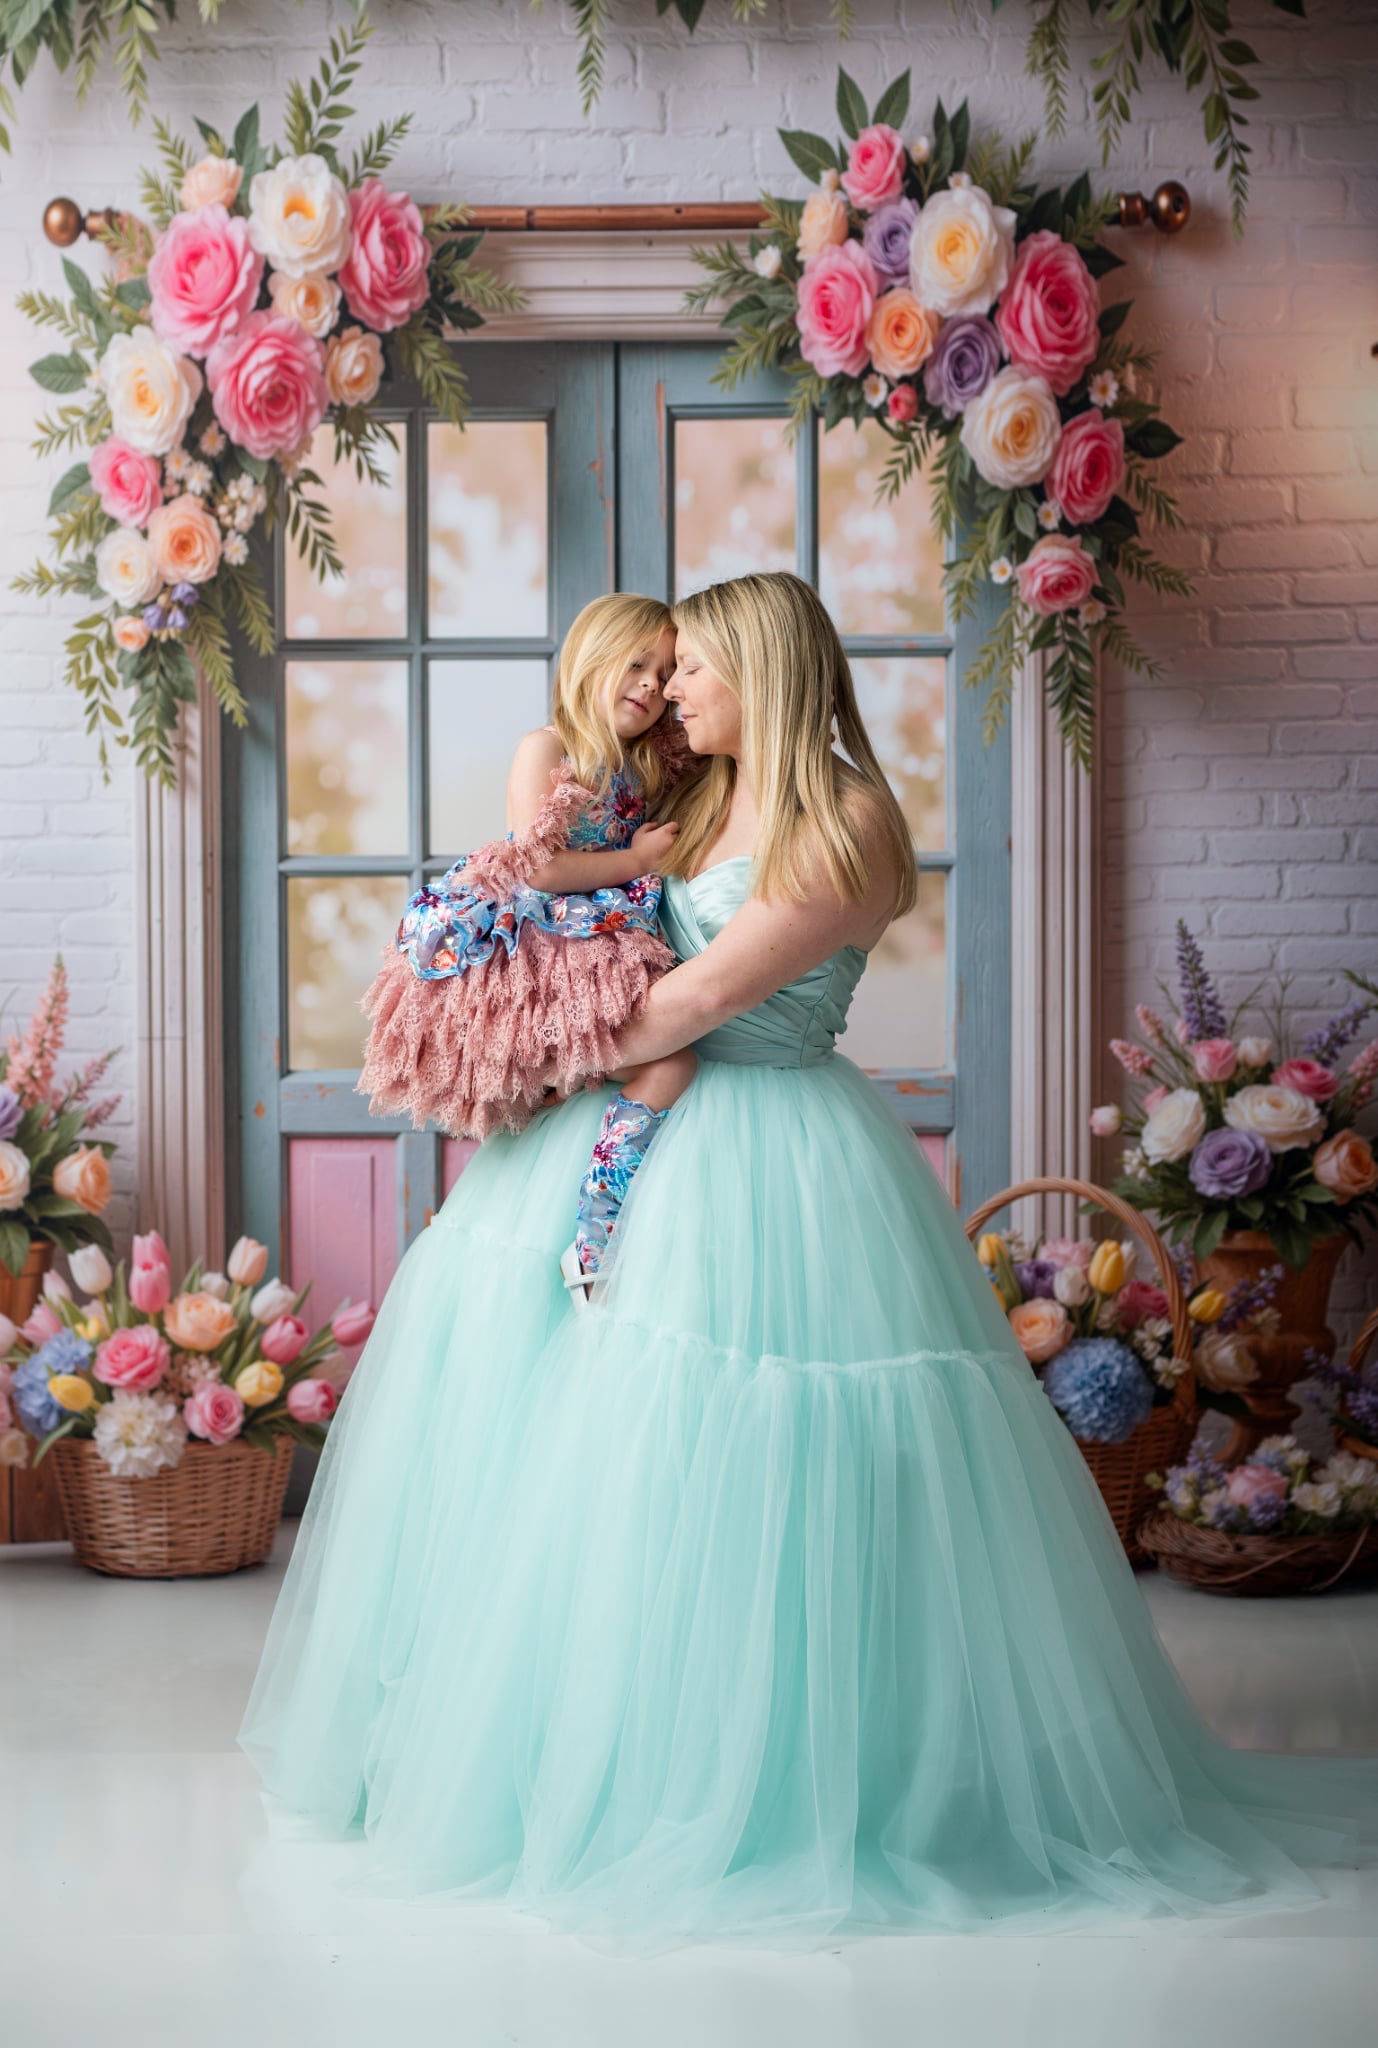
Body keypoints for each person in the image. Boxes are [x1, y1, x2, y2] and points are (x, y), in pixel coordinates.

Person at [239, 570, 1378, 1948]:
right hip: (616, 1134)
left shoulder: (839, 824)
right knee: (569, 1460)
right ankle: (566, 1756)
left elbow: (700, 996)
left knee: (749, 1461)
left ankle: (790, 1782)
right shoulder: (696, 801)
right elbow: (570, 894)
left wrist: (513, 1038)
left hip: (768, 1154)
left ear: (764, 677)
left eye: (698, 671)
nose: (675, 695)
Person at [356, 592, 700, 1292]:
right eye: (636, 663)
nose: (650, 684)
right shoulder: (547, 747)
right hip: (538, 938)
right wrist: (637, 861)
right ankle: (591, 1232)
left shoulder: (645, 762)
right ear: (587, 661)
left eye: (663, 673)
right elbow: (537, 868)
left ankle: (597, 1228)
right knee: (613, 1076)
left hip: (601, 940)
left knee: (669, 1068)